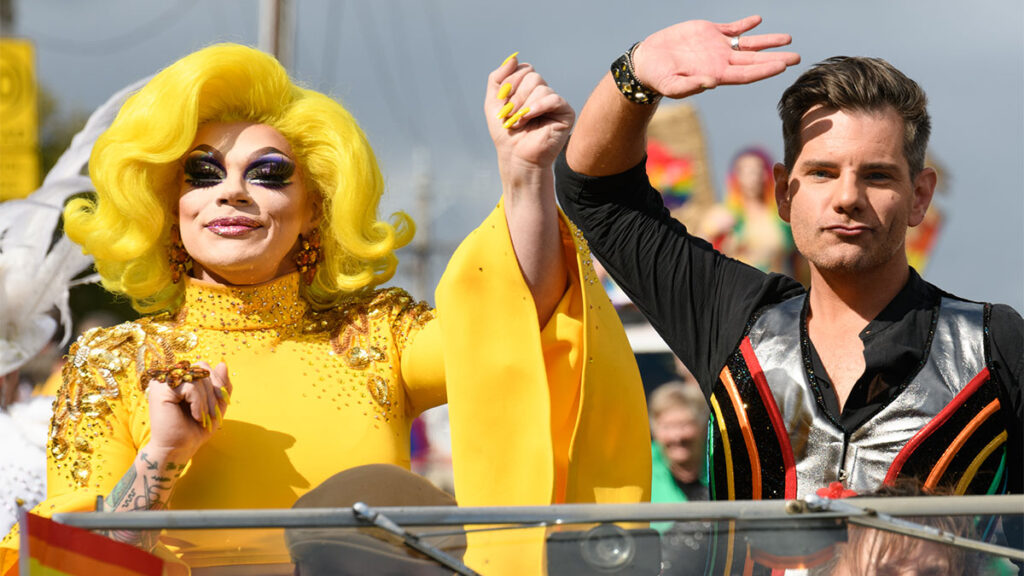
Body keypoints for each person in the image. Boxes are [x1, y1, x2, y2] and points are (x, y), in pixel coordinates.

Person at [0, 43, 651, 575]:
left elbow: (516, 322)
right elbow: (78, 565)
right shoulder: (111, 362)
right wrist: (165, 454)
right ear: (169, 206)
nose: (231, 192)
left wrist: (523, 175)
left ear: (315, 210)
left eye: (268, 173)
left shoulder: (378, 335)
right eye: (203, 174)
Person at [555, 13, 1022, 572]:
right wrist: (637, 75)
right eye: (823, 173)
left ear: (919, 195)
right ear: (782, 192)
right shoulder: (733, 318)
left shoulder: (992, 344)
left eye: (877, 175)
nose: (848, 198)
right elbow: (596, 195)